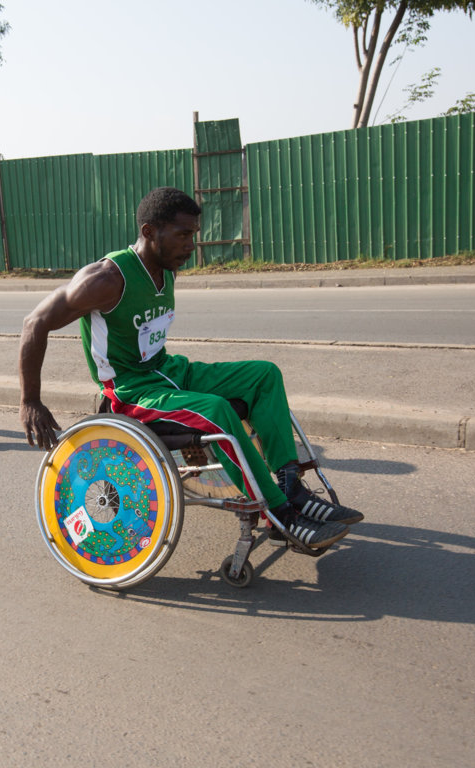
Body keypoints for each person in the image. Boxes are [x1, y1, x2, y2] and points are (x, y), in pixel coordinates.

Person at [19, 187, 363, 551]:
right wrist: (30, 401)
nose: (191, 246)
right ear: (149, 231)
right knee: (216, 409)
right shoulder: (106, 279)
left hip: (170, 371)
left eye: (194, 235)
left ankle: (291, 487)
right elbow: (34, 323)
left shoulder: (166, 270)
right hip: (133, 392)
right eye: (183, 235)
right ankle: (280, 513)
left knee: (264, 375)